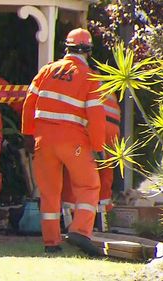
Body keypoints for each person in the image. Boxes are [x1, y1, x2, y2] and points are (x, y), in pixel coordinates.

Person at [21, 28, 106, 255]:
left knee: (49, 192)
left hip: (43, 142)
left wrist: (27, 134)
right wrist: (98, 147)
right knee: (88, 185)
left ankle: (51, 243)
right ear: (88, 51)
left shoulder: (47, 70)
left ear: (66, 48)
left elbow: (29, 103)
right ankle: (80, 230)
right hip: (74, 144)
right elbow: (96, 117)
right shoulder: (90, 77)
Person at [62, 91, 121, 232]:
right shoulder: (107, 85)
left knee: (75, 171)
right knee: (105, 172)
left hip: (92, 125)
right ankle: (103, 221)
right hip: (113, 129)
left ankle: (69, 221)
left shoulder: (84, 78)